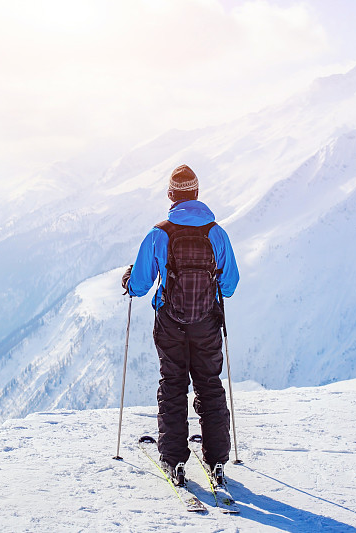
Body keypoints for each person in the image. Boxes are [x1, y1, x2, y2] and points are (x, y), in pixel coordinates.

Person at [122, 164, 239, 486]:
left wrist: (128, 282)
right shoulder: (216, 233)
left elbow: (141, 284)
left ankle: (173, 459)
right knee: (210, 385)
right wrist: (211, 293)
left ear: (171, 196)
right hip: (207, 322)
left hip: (170, 322)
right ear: (197, 194)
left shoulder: (159, 233)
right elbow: (230, 283)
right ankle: (217, 459)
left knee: (173, 385)